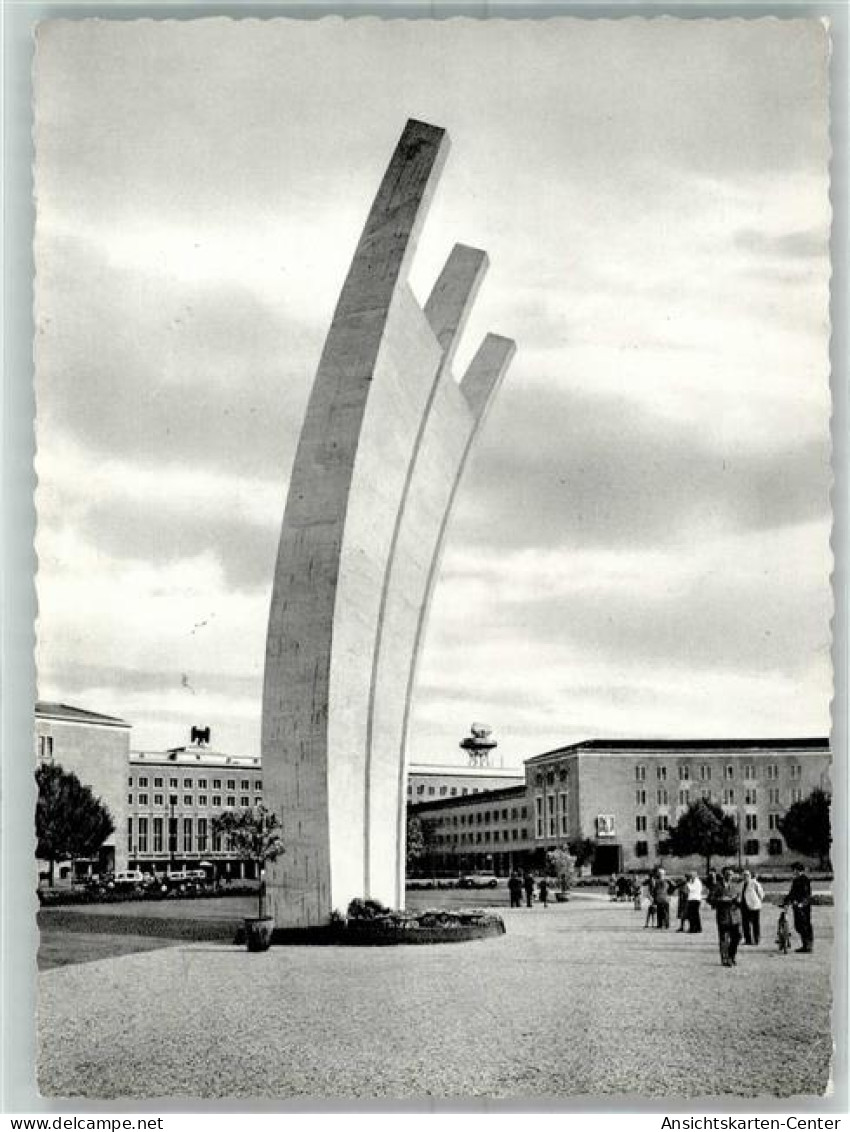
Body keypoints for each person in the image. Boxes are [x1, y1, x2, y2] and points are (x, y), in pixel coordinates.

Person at [710, 866, 743, 967]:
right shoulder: (717, 886)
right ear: (723, 875)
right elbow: (710, 899)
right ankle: (725, 959)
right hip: (723, 915)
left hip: (735, 916)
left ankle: (732, 956)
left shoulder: (736, 886)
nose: (730, 876)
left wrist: (739, 901)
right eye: (727, 874)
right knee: (724, 938)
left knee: (737, 936)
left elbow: (740, 899)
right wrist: (722, 900)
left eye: (731, 874)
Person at [783, 861, 814, 953]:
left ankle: (808, 946)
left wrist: (802, 903)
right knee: (798, 926)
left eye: (794, 870)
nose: (793, 872)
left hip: (803, 907)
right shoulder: (796, 880)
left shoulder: (804, 880)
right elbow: (792, 893)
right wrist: (786, 901)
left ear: (798, 870)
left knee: (804, 925)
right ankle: (805, 945)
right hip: (797, 905)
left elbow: (806, 894)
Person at [740, 869, 765, 945]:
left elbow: (761, 894)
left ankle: (757, 939)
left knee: (755, 923)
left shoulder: (754, 883)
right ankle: (748, 940)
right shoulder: (741, 884)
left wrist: (758, 902)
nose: (745, 877)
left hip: (754, 906)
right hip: (744, 906)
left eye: (747, 875)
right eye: (744, 875)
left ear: (750, 876)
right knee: (745, 924)